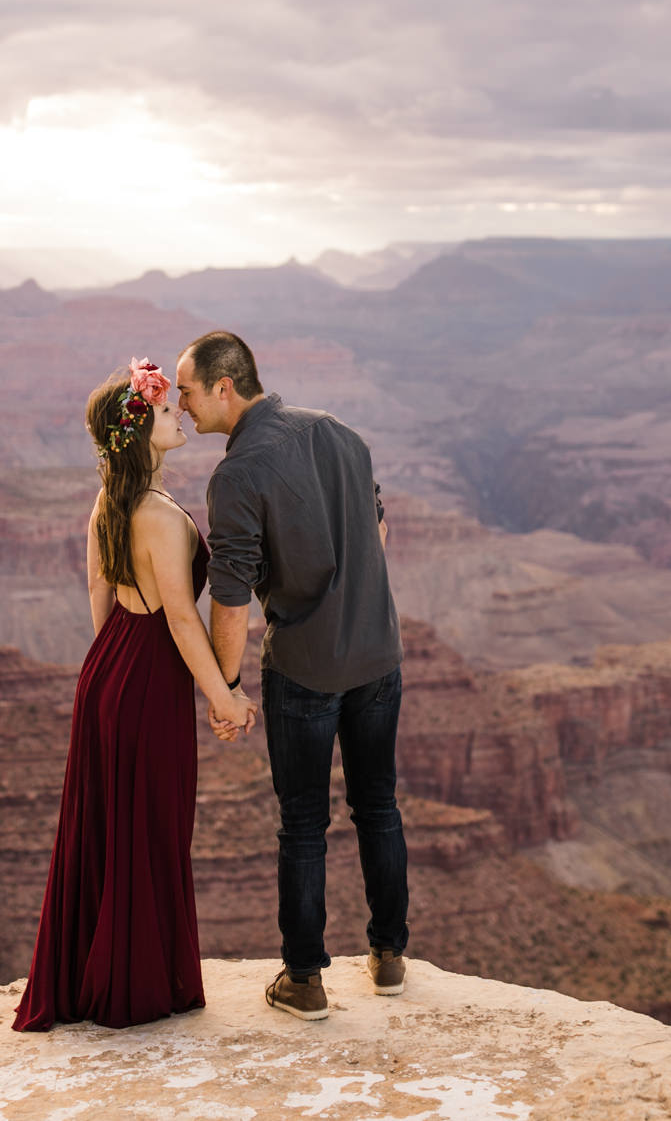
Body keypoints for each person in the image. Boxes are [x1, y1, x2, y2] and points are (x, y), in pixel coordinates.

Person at [13, 357, 259, 1032]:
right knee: (150, 829)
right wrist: (226, 698)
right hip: (148, 681)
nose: (175, 411)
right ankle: (138, 984)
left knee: (107, 831)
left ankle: (104, 974)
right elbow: (181, 618)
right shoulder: (157, 514)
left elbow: (98, 593)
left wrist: (113, 670)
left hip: (107, 673)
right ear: (139, 433)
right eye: (161, 409)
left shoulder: (108, 504)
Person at [174, 331, 409, 1022]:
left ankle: (305, 980)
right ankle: (389, 956)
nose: (181, 405)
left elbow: (230, 595)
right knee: (379, 806)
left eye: (187, 391)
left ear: (225, 385)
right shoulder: (338, 431)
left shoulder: (239, 473)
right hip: (377, 656)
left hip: (305, 671)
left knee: (304, 823)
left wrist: (228, 686)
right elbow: (378, 529)